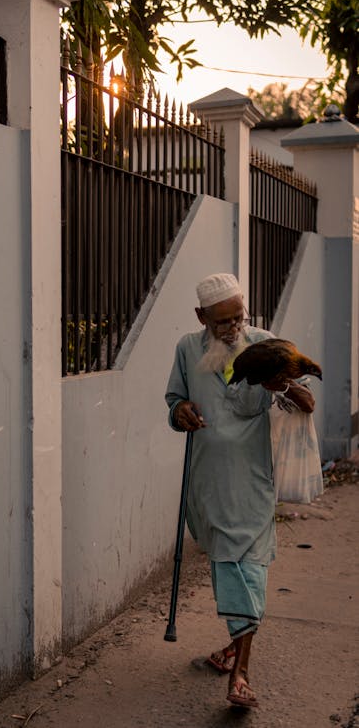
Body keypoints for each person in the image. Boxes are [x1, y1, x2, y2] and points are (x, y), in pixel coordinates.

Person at [165, 272, 315, 708]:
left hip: (252, 483)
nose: (232, 329)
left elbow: (307, 403)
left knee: (247, 571)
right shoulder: (187, 349)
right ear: (201, 317)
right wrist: (182, 412)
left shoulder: (266, 345)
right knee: (226, 567)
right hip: (208, 483)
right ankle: (236, 643)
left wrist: (280, 384)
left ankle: (241, 673)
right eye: (222, 323)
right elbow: (173, 403)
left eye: (238, 318)